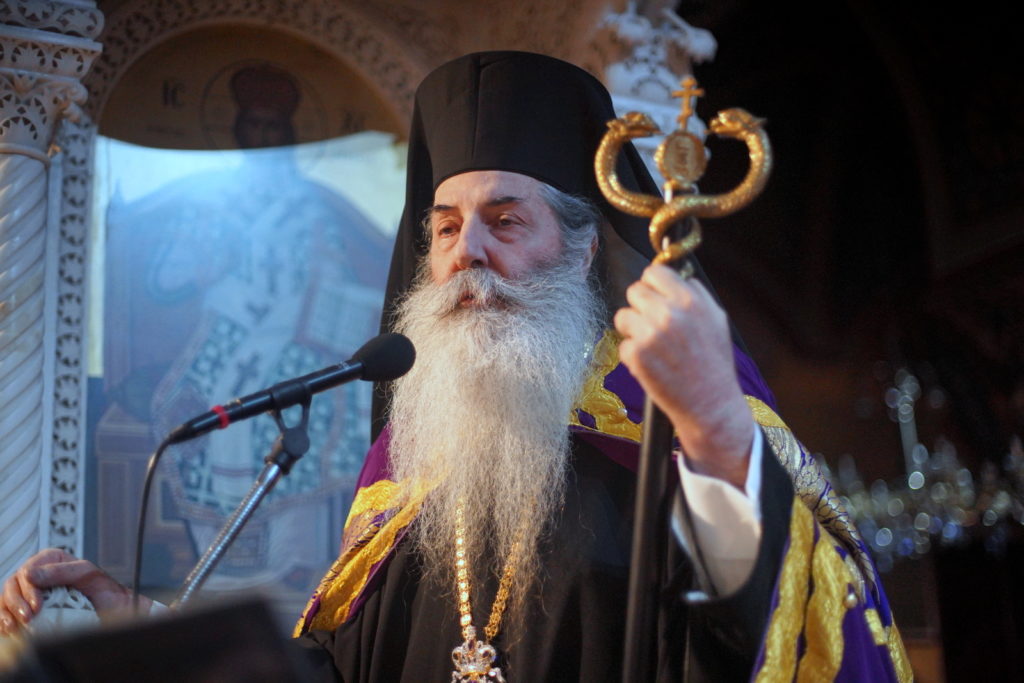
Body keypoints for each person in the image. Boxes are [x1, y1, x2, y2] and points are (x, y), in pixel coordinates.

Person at [1, 52, 909, 681]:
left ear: (583, 249)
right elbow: (339, 672)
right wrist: (147, 632)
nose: (467, 251)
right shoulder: (407, 462)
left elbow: (776, 634)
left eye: (506, 221)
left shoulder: (675, 425)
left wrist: (712, 422)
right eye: (444, 228)